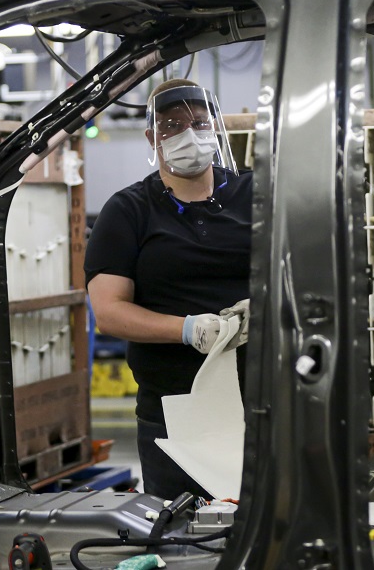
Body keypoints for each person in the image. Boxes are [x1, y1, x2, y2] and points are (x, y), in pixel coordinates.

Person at [85, 78, 252, 501]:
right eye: (171, 125)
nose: (187, 135)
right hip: (175, 414)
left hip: (265, 404)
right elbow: (108, 311)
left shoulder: (258, 194)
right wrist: (188, 328)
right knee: (183, 541)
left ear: (216, 127)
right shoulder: (128, 211)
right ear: (151, 138)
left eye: (198, 122)